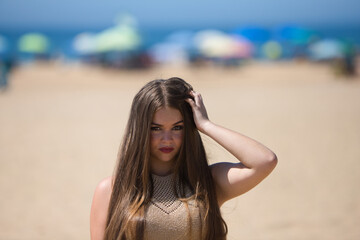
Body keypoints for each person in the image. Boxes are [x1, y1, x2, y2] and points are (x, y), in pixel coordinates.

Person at [90, 77, 277, 240]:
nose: (167, 139)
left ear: (188, 129)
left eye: (177, 127)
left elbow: (264, 161)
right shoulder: (112, 190)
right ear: (140, 130)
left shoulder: (207, 181)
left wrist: (205, 125)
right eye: (156, 128)